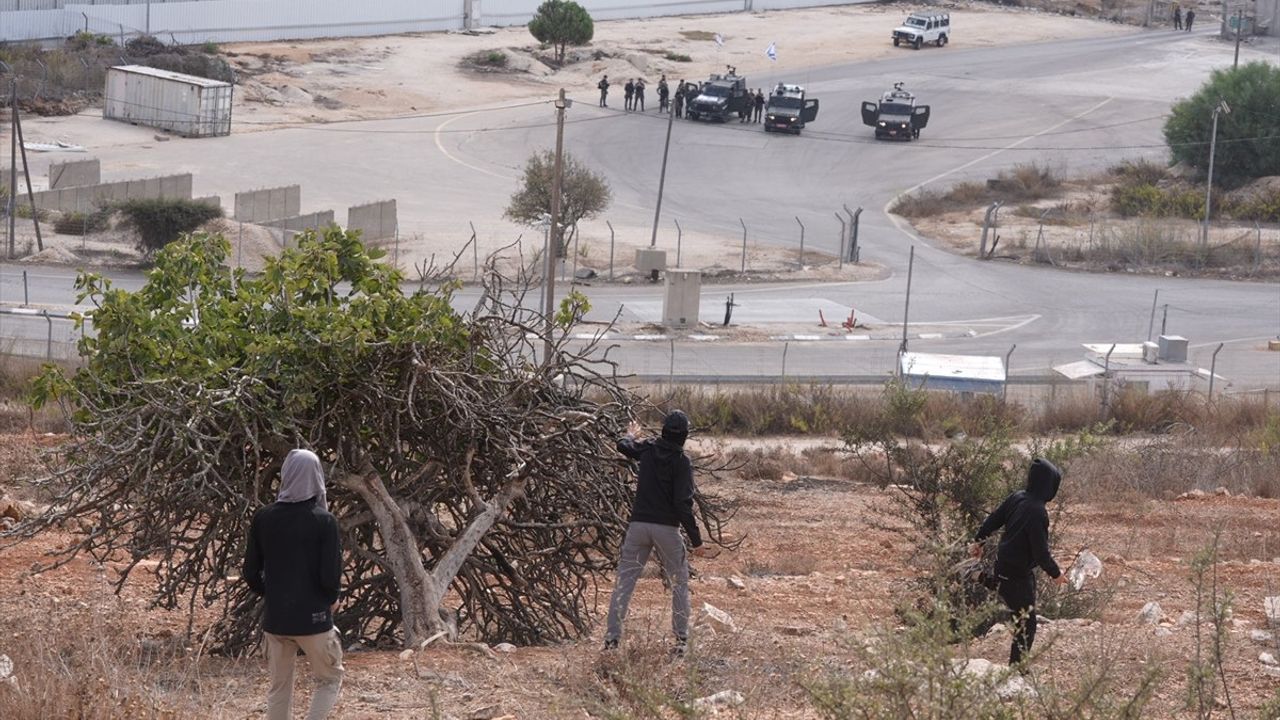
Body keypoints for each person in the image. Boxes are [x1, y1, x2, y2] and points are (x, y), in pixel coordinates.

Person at [244, 448, 344, 720]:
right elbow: (329, 578)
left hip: (276, 621)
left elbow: (251, 573)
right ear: (317, 477)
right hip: (314, 619)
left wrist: (274, 593)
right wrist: (331, 597)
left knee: (279, 689)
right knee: (329, 680)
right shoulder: (325, 521)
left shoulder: (263, 518)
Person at [604, 411, 710, 656]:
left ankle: (611, 641)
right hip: (667, 530)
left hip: (638, 526)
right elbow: (683, 504)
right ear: (684, 436)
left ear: (663, 431)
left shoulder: (648, 448)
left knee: (625, 582)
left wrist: (630, 434)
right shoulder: (682, 462)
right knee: (679, 583)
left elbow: (624, 446)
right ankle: (682, 640)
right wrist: (696, 541)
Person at [971, 458, 1067, 668]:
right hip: (1017, 572)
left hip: (1005, 565)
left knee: (1011, 593)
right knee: (1027, 624)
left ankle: (978, 576)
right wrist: (1056, 574)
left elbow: (994, 519)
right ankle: (1016, 672)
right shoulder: (1038, 512)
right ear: (1048, 485)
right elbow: (1041, 553)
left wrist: (979, 539)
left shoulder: (1017, 497)